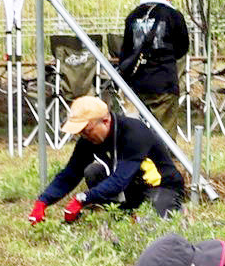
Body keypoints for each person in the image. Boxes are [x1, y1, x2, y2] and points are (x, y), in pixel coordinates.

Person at [27, 96, 185, 224]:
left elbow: (120, 180)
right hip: (131, 188)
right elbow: (71, 173)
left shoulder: (134, 132)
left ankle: (160, 211)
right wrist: (43, 201)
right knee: (93, 172)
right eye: (80, 133)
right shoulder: (88, 140)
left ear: (105, 121)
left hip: (161, 186)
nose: (84, 136)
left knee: (153, 227)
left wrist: (82, 199)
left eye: (87, 130)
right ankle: (122, 214)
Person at [118, 0, 189, 137]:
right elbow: (182, 48)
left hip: (136, 82)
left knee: (136, 133)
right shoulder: (174, 16)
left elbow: (126, 50)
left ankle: (139, 159)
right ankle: (164, 161)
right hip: (163, 82)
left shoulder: (133, 15)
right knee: (164, 135)